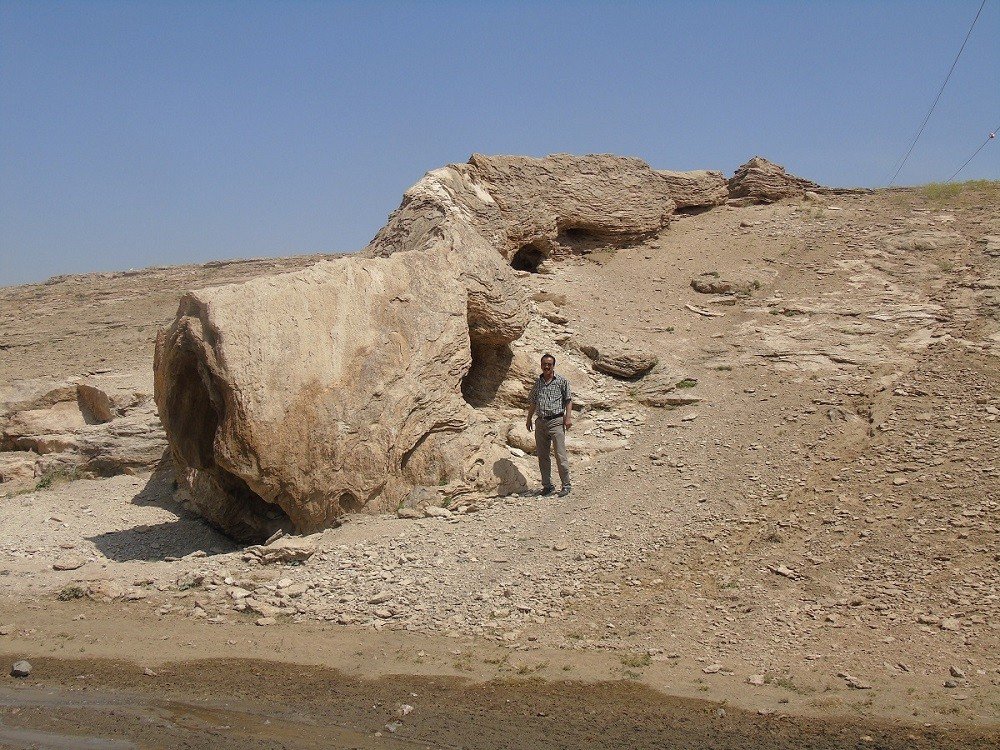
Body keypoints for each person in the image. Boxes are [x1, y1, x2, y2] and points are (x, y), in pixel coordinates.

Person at [525, 353, 572, 496]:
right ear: (541, 365)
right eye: (544, 364)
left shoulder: (562, 381)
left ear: (553, 366)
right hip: (541, 422)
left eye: (549, 364)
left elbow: (568, 400)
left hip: (556, 421)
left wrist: (568, 418)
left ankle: (566, 484)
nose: (546, 367)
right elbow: (533, 401)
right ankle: (547, 486)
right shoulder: (537, 383)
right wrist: (529, 419)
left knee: (560, 454)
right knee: (542, 455)